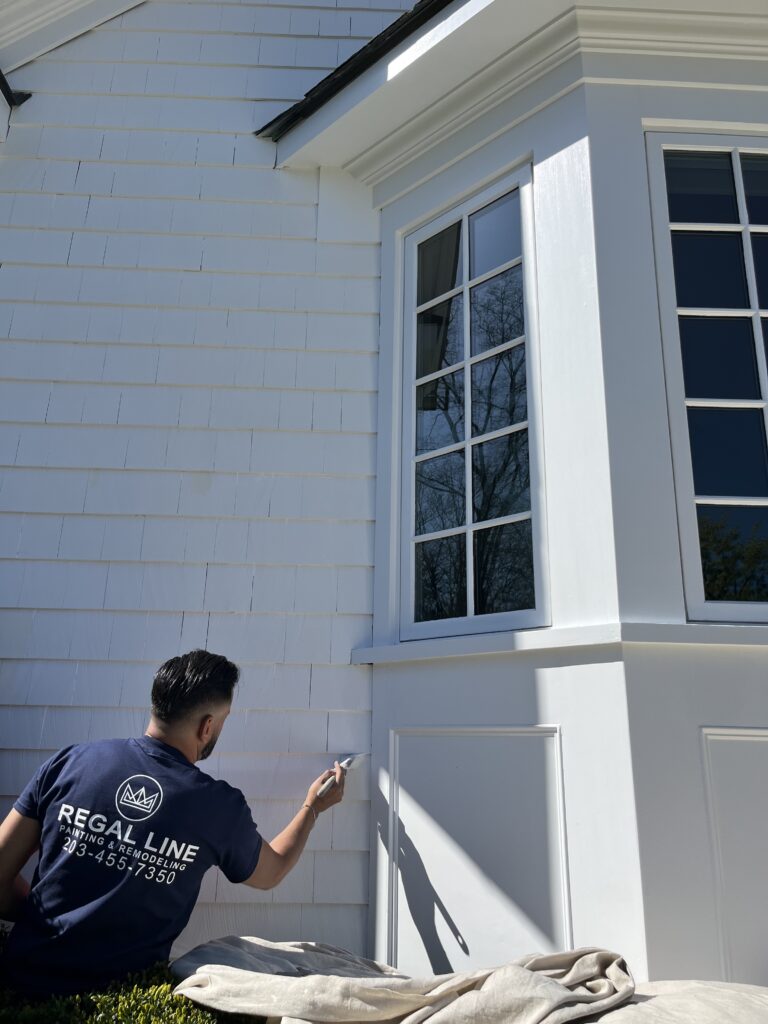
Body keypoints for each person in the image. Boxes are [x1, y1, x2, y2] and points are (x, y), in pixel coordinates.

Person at [0, 649, 345, 997]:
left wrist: (41, 920)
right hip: (121, 1001)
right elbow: (272, 871)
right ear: (207, 726)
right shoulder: (216, 806)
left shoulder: (71, 762)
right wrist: (313, 807)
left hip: (20, 987)